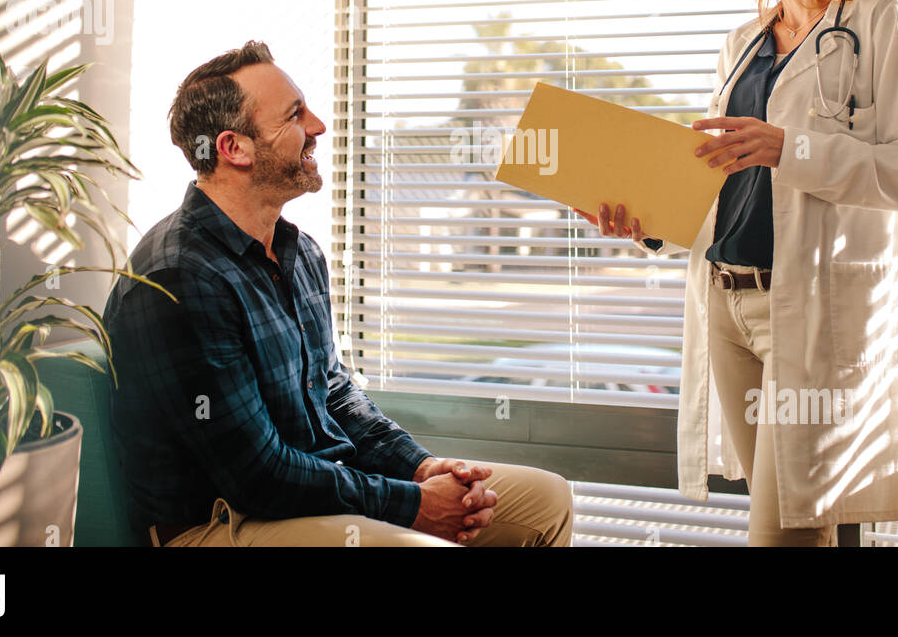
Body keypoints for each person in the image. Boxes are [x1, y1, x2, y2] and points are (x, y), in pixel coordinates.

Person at [577, 0, 898, 546]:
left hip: (814, 307)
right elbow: (727, 176)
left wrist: (794, 148)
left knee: (785, 533)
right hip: (726, 301)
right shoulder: (742, 44)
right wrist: (647, 222)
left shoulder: (886, 23)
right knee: (793, 522)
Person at [104, 40, 572, 547]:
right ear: (233, 147)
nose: (318, 126)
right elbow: (257, 475)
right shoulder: (179, 277)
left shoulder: (300, 253)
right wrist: (412, 507)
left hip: (309, 498)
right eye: (294, 115)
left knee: (547, 498)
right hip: (216, 524)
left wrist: (420, 468)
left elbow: (334, 393)